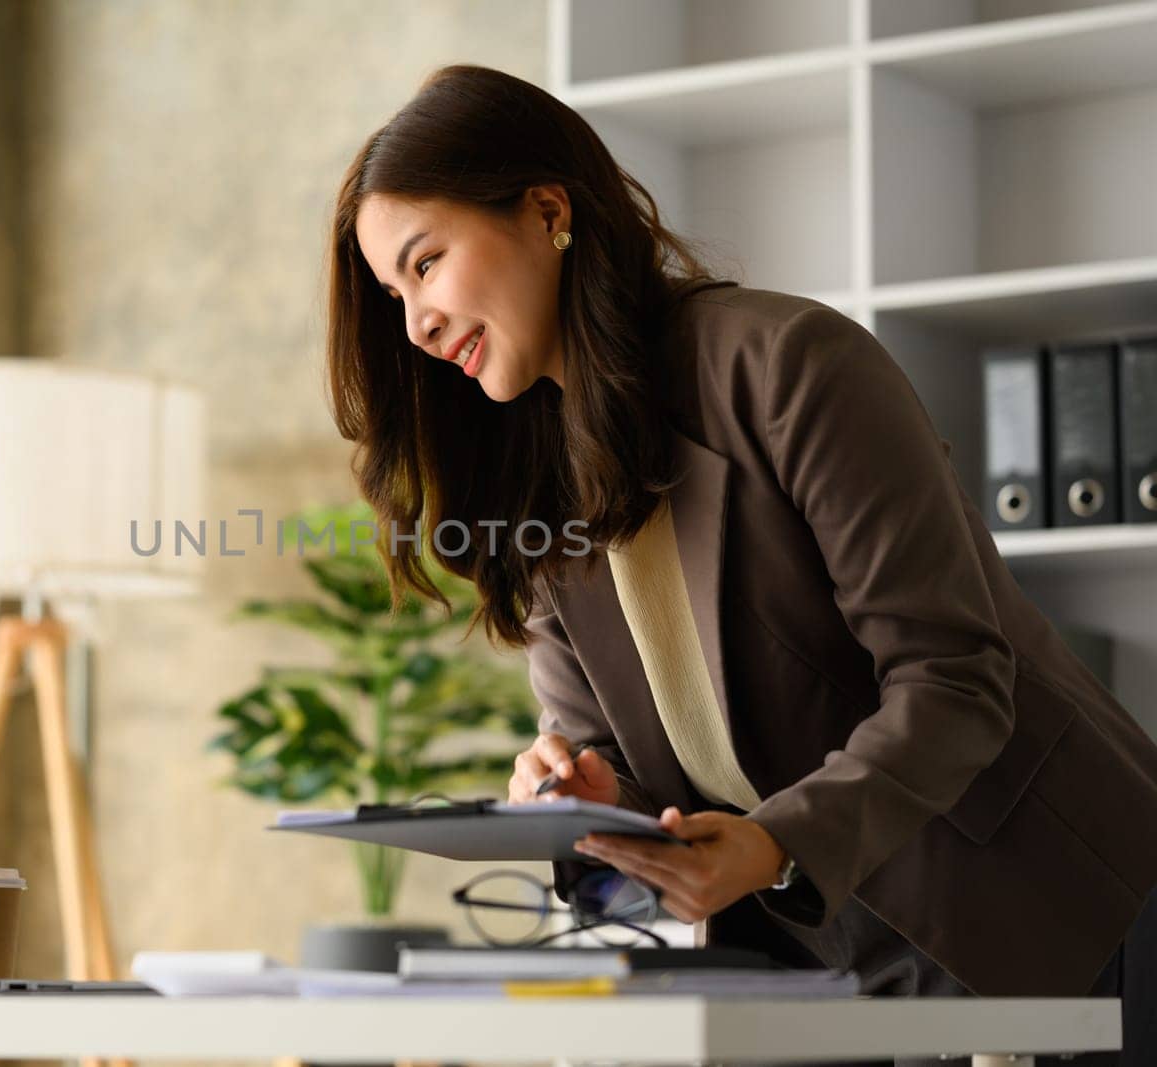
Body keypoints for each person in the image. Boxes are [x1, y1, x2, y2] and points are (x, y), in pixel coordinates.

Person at [324, 64, 1157, 1067]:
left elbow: (955, 680)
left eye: (425, 265)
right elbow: (635, 777)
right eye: (390, 293)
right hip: (831, 963)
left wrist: (771, 843)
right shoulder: (538, 495)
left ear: (547, 210)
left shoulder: (787, 366)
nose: (413, 322)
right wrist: (579, 795)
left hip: (1057, 907)